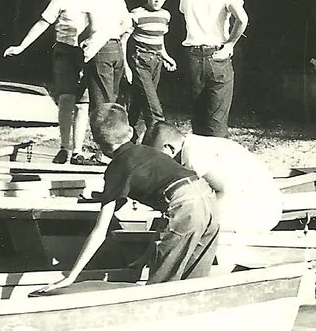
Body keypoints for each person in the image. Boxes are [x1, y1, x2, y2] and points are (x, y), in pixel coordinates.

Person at [52, 105, 222, 285]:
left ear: (98, 143)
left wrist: (72, 276)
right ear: (131, 132)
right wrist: (145, 258)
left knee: (160, 288)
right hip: (207, 198)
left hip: (184, 206)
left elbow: (100, 230)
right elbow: (168, 217)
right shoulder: (150, 152)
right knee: (194, 284)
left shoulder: (117, 169)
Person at [5, 0, 99, 161]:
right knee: (66, 98)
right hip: (65, 51)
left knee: (83, 103)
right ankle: (65, 147)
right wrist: (21, 46)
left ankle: (78, 151)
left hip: (88, 51)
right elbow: (43, 22)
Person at [159, 120, 285, 237]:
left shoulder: (194, 155)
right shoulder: (193, 143)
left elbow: (224, 191)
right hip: (255, 203)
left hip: (258, 212)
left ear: (170, 148)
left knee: (188, 231)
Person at [177, 0, 248, 138]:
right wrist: (230, 44)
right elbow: (242, 19)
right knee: (217, 120)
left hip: (192, 57)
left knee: (198, 118)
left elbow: (184, 11)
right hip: (217, 56)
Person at [74, 0, 136, 155]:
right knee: (113, 101)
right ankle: (114, 150)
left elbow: (94, 27)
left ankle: (107, 154)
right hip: (116, 48)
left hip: (100, 51)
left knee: (103, 107)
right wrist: (111, 32)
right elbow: (127, 23)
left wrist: (82, 38)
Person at [125, 0, 177, 146]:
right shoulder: (136, 14)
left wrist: (166, 57)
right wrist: (126, 66)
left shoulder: (165, 15)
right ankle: (160, 145)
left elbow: (159, 41)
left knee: (140, 102)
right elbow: (123, 40)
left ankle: (128, 141)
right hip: (140, 60)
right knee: (153, 107)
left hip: (157, 62)